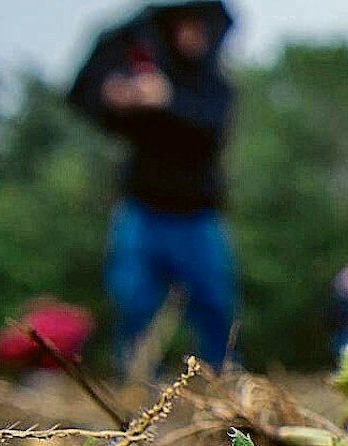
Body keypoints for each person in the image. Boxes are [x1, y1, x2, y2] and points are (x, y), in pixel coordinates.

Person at [68, 1, 239, 372]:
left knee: (215, 306)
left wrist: (168, 100)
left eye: (199, 25)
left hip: (198, 216)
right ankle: (136, 385)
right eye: (182, 24)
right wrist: (113, 96)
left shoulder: (215, 88)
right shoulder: (139, 71)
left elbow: (210, 130)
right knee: (133, 302)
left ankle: (223, 380)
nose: (191, 34)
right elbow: (81, 95)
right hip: (142, 211)